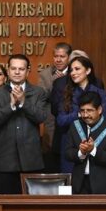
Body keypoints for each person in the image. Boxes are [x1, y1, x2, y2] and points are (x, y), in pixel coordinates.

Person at [0, 54, 50, 194]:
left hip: (31, 160)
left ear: (28, 70)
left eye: (21, 69)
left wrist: (24, 102)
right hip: (5, 160)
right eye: (14, 68)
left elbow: (41, 117)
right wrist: (11, 106)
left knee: (31, 209)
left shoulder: (38, 92)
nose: (17, 72)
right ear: (8, 69)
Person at [53, 56, 106, 173]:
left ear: (88, 71)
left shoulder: (100, 93)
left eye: (77, 69)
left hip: (95, 142)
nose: (73, 73)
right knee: (70, 186)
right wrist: (79, 114)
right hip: (71, 144)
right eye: (71, 70)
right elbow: (60, 120)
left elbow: (105, 120)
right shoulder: (66, 94)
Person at [65, 91, 106, 194]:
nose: (85, 115)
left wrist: (93, 150)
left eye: (90, 110)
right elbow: (67, 153)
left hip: (104, 186)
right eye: (82, 111)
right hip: (80, 185)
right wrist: (80, 152)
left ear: (99, 109)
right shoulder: (75, 126)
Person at [38, 42, 71, 172]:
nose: (58, 59)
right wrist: (55, 83)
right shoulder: (45, 74)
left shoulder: (74, 72)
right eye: (56, 56)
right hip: (52, 121)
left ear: (68, 57)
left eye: (62, 56)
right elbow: (41, 96)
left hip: (71, 119)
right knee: (53, 156)